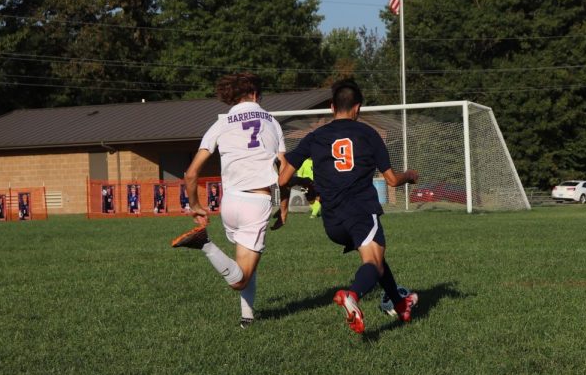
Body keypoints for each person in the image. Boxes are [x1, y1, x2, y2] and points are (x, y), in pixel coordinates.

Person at [278, 78, 419, 334]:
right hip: (360, 210)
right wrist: (409, 175)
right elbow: (391, 180)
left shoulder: (315, 136)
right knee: (373, 262)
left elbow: (283, 179)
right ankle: (351, 295)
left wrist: (307, 183)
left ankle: (400, 304)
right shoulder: (368, 133)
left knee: (376, 258)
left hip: (332, 221)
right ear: (358, 108)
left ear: (332, 107)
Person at [170, 72, 289, 329]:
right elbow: (284, 170)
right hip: (257, 203)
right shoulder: (272, 122)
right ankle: (205, 244)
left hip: (230, 202)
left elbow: (191, 173)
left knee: (246, 262)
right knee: (240, 280)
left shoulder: (221, 124)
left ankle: (247, 317)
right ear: (256, 94)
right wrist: (284, 206)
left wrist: (195, 205)